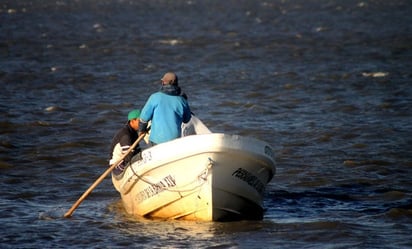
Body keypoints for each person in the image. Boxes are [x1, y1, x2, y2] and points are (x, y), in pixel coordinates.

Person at [138, 72, 191, 145]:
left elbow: (143, 118)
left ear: (163, 83)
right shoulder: (182, 100)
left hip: (156, 140)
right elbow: (186, 119)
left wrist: (141, 130)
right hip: (175, 141)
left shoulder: (155, 97)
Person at [109, 109, 142, 175]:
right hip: (118, 164)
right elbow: (128, 157)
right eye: (139, 121)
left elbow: (137, 151)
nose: (141, 123)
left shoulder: (134, 133)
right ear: (132, 121)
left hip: (127, 160)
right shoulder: (126, 135)